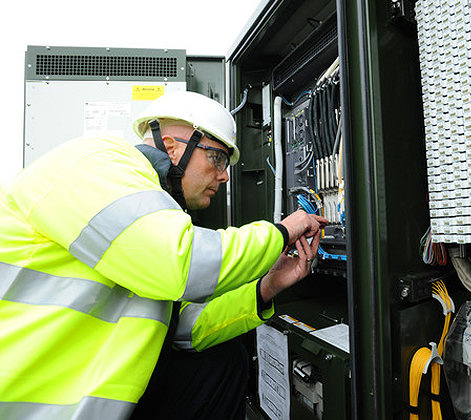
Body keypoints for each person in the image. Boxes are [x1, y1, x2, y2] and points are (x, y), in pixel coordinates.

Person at [0, 90, 327, 419]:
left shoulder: (148, 210)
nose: (225, 175)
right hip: (34, 407)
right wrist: (282, 231)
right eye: (216, 158)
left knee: (222, 362)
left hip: (85, 395)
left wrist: (266, 287)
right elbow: (179, 263)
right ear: (171, 147)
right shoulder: (96, 162)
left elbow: (182, 327)